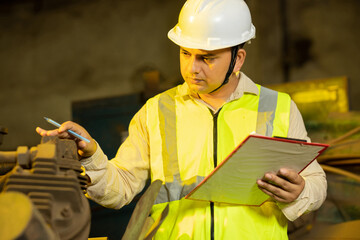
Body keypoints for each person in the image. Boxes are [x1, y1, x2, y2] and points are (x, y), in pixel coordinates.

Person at [37, 0, 327, 239]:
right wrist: (91, 155)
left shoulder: (279, 107)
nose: (192, 68)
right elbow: (120, 189)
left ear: (238, 59)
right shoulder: (157, 110)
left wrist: (300, 191)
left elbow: (316, 182)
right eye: (185, 53)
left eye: (207, 57)